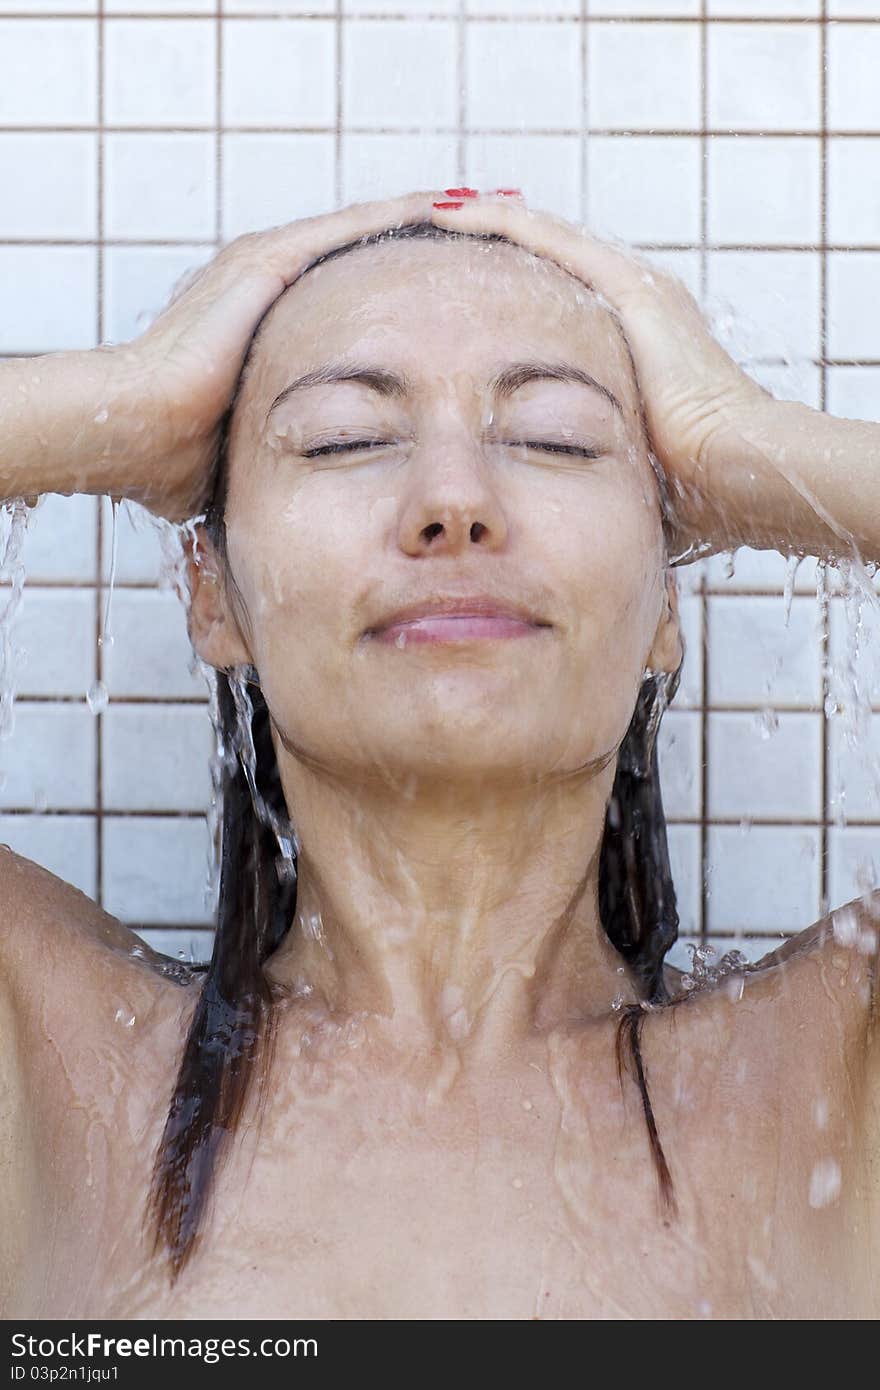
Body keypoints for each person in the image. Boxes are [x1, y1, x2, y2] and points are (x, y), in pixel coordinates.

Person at [0, 188, 877, 1320]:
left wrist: (733, 436)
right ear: (210, 592)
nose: (454, 502)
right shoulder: (58, 1060)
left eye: (557, 438)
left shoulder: (824, 1071)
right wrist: (126, 401)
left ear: (668, 601)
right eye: (344, 439)